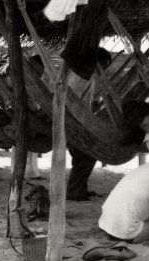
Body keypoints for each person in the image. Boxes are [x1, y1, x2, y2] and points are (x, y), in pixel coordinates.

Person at [31, 49, 112, 201]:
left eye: (108, 64)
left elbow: (84, 102)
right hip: (70, 119)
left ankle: (79, 188)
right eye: (104, 64)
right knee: (88, 154)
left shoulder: (88, 77)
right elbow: (69, 98)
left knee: (82, 155)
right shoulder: (81, 77)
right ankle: (75, 190)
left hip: (78, 120)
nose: (106, 67)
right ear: (95, 62)